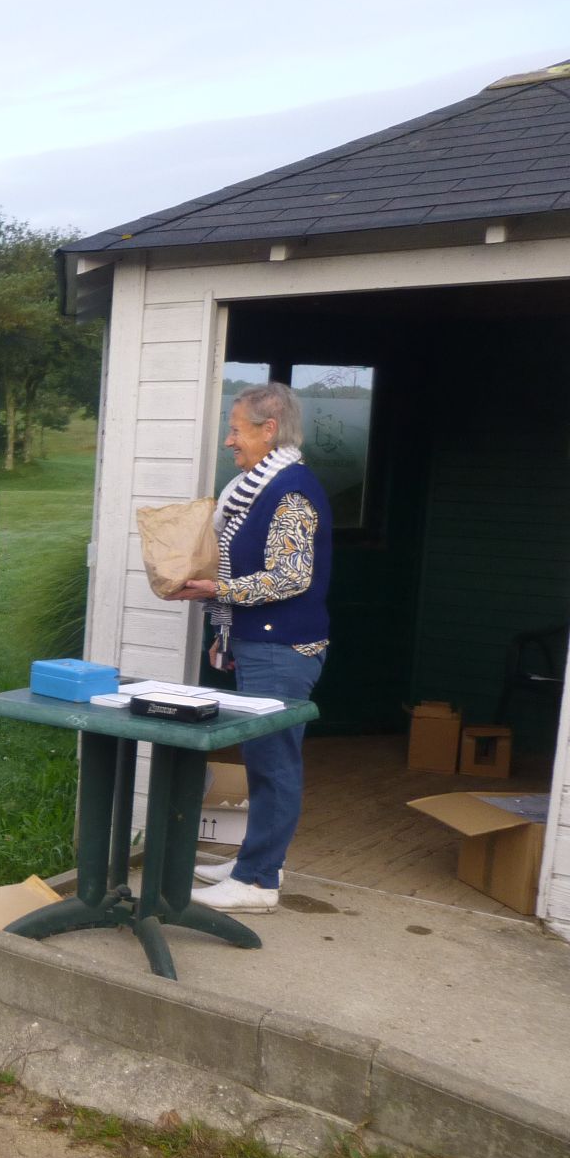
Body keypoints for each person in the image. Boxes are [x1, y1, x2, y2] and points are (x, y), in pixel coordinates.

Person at [169, 382, 332, 913]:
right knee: (264, 759)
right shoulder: (259, 488)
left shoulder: (290, 492)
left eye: (236, 429)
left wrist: (218, 589)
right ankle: (259, 860)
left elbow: (290, 576)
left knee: (274, 762)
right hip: (263, 643)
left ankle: (258, 883)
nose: (228, 441)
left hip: (282, 648)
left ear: (269, 429)